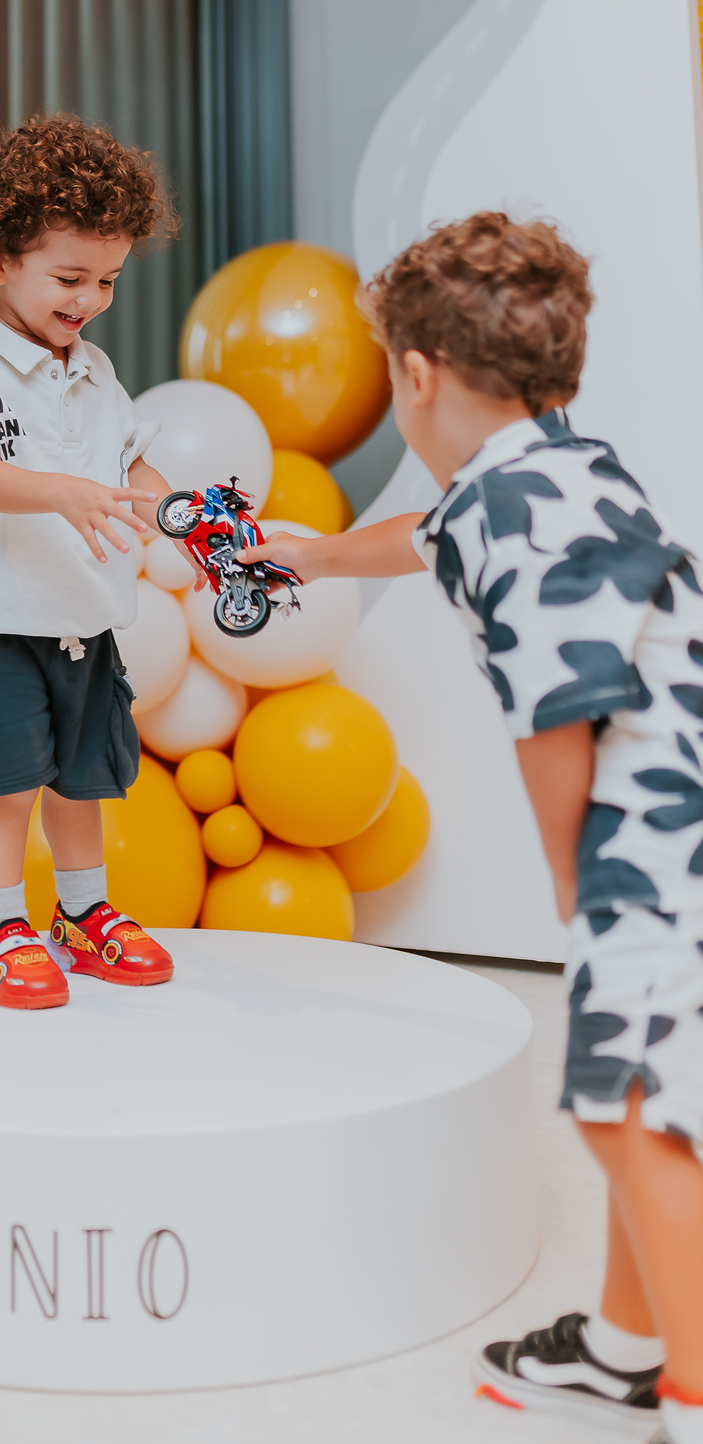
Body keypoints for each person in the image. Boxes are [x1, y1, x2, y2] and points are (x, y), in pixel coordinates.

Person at [237, 213, 703, 1443]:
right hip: (681, 817)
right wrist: (322, 557)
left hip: (657, 842)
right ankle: (624, 1347)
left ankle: (694, 1392)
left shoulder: (509, 511)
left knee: (631, 1111)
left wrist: (571, 873)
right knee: (654, 1087)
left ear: (418, 375)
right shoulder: (550, 467)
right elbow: (428, 537)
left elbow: (566, 709)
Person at [0, 114, 201, 1011]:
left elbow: (130, 466)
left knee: (83, 783)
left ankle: (84, 915)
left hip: (84, 622)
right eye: (69, 278)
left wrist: (175, 508)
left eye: (107, 279)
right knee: (4, 787)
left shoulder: (96, 370)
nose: (90, 298)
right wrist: (66, 493)